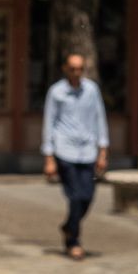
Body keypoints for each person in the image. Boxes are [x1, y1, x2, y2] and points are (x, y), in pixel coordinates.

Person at [42, 53, 109, 261]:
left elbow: (100, 119)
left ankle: (68, 227)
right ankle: (74, 242)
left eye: (80, 68)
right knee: (75, 197)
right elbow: (49, 122)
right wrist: (49, 157)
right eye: (73, 68)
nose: (77, 72)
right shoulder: (56, 92)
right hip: (65, 151)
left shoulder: (91, 90)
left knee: (88, 196)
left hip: (88, 150)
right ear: (65, 69)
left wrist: (103, 151)